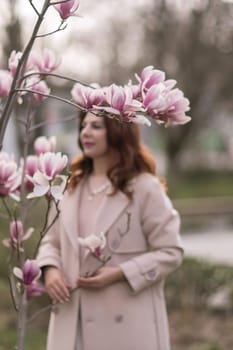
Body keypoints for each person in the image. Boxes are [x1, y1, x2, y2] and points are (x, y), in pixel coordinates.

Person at [36, 111, 183, 350]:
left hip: (127, 328)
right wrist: (50, 270)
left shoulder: (145, 188)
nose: (86, 132)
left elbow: (171, 251)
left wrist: (120, 273)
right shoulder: (70, 186)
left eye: (96, 126)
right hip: (71, 323)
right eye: (83, 125)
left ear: (119, 131)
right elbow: (51, 242)